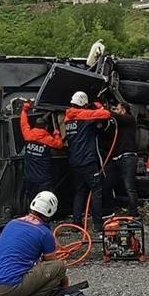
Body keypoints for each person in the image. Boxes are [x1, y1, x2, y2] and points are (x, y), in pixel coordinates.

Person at [0, 191, 68, 296]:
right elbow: (51, 264)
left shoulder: (12, 223)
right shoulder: (44, 233)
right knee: (59, 267)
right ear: (51, 212)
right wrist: (64, 284)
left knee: (13, 266)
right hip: (6, 289)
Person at [65, 91, 111, 234]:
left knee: (79, 192)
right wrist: (98, 106)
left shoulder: (68, 119)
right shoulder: (83, 116)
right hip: (87, 161)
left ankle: (77, 223)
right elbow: (106, 115)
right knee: (96, 190)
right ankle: (97, 224)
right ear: (83, 104)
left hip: (74, 162)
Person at [20, 102, 64, 206]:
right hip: (43, 180)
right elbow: (59, 145)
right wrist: (57, 134)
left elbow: (23, 123)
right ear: (45, 127)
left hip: (29, 177)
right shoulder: (48, 139)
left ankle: (31, 219)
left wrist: (24, 110)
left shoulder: (28, 135)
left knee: (32, 202)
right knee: (45, 202)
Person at [102, 102, 140, 218]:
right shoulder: (116, 125)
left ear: (123, 110)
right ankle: (109, 211)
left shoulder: (129, 120)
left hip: (128, 157)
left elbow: (116, 116)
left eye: (117, 109)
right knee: (107, 183)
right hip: (116, 158)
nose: (116, 111)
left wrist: (106, 110)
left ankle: (134, 212)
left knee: (129, 186)